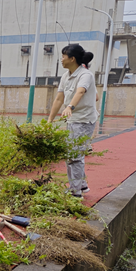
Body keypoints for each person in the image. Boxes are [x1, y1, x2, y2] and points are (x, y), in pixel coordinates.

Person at [47, 43, 99, 197]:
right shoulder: (65, 76)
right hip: (72, 119)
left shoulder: (85, 75)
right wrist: (49, 120)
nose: (61, 59)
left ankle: (75, 192)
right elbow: (58, 99)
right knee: (71, 153)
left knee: (74, 155)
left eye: (63, 56)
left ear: (72, 58)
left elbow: (81, 91)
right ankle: (81, 185)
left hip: (84, 120)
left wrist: (70, 107)